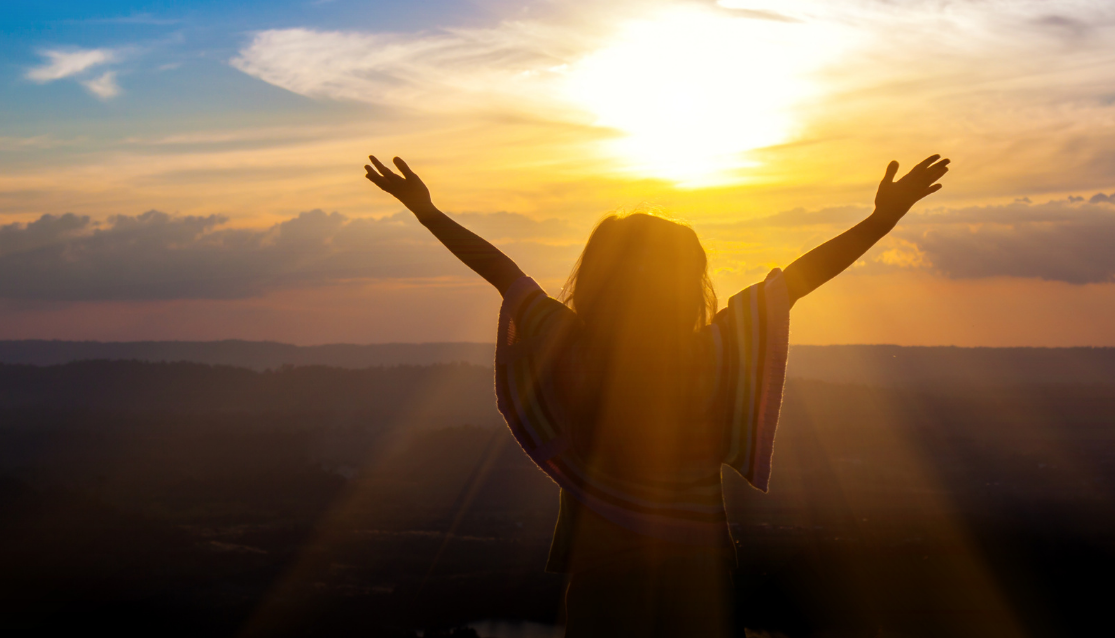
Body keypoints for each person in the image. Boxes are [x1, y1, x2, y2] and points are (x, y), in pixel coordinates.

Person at [364, 153, 950, 637]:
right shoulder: (712, 351)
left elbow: (503, 271)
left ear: (598, 279)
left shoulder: (571, 349)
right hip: (700, 572)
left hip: (602, 574)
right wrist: (879, 222)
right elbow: (797, 280)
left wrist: (428, 213)